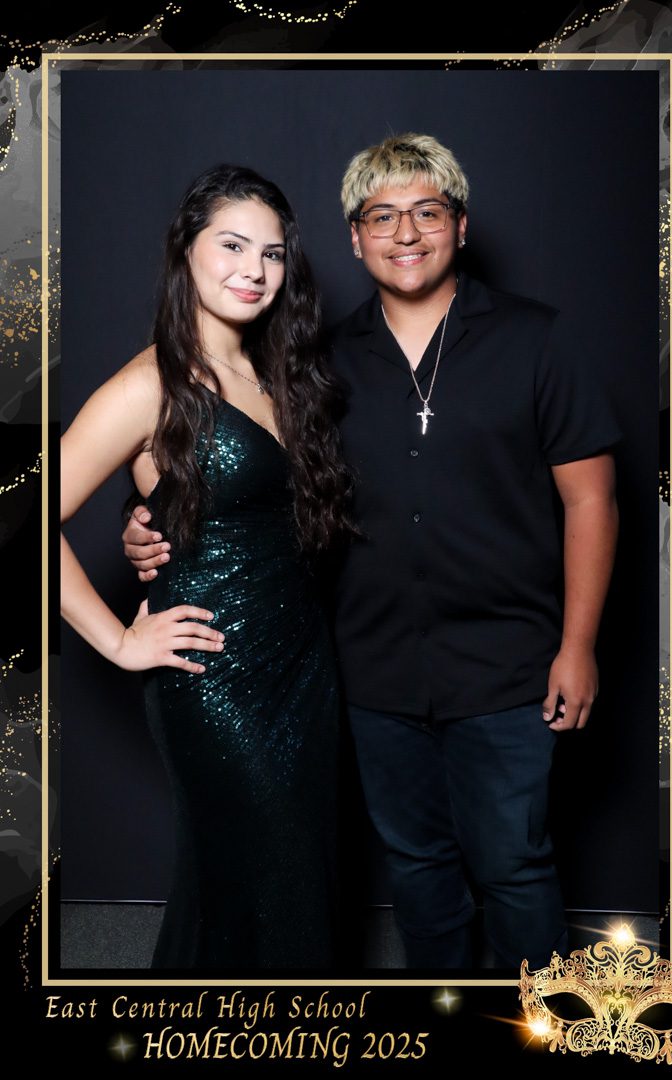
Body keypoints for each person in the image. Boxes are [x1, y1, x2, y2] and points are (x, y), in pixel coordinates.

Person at [122, 135, 621, 971]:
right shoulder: (316, 364)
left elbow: (592, 500)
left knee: (515, 870)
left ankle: (537, 1029)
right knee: (419, 874)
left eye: (428, 211)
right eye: (382, 216)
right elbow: (237, 474)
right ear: (355, 238)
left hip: (509, 668)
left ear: (461, 225)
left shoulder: (538, 340)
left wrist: (579, 646)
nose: (406, 232)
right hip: (368, 673)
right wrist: (148, 522)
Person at [61, 164, 355, 970]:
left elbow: (247, 511)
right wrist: (121, 642)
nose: (253, 270)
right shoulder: (150, 382)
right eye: (232, 245)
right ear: (185, 251)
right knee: (265, 881)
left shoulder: (275, 375)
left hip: (304, 669)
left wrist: (145, 514)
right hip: (215, 681)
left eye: (272, 253)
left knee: (286, 884)